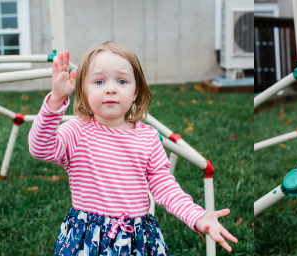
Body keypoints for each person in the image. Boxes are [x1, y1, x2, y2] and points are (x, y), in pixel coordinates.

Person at [29, 41, 237, 255]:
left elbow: (164, 185)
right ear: (84, 90)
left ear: (136, 91)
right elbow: (40, 148)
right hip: (87, 239)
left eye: (122, 81)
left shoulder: (147, 138)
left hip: (136, 239)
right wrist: (56, 101)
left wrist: (196, 215)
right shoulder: (76, 131)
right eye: (99, 81)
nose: (111, 89)